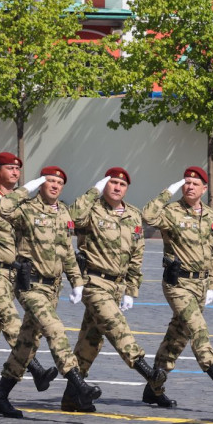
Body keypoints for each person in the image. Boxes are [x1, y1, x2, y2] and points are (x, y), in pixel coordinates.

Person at [0, 166, 101, 418]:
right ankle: (77, 383)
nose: (55, 185)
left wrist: (77, 282)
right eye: (49, 181)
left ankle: (0, 397)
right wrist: (25, 188)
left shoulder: (63, 213)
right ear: (41, 183)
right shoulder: (26, 208)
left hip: (52, 287)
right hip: (30, 286)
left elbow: (67, 251)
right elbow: (2, 207)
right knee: (55, 329)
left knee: (27, 343)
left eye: (59, 182)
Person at [140, 166, 213, 407]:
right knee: (198, 329)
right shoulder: (171, 212)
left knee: (176, 338)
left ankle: (153, 389)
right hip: (178, 284)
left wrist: (212, 284)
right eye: (186, 182)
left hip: (200, 284)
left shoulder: (210, 216)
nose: (189, 186)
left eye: (194, 184)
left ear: (204, 189)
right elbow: (148, 215)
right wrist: (168, 191)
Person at [68, 167, 167, 401]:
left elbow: (137, 255)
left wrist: (131, 290)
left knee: (91, 341)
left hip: (117, 286)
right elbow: (72, 218)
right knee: (116, 326)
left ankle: (72, 396)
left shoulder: (133, 215)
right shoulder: (91, 209)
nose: (117, 187)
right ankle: (148, 372)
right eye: (112, 183)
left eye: (122, 185)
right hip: (93, 282)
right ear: (104, 185)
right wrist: (93, 191)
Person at [0, 151, 55, 390]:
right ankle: (35, 368)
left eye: (17, 169)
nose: (15, 172)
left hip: (16, 274)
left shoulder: (25, 205)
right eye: (9, 168)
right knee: (11, 320)